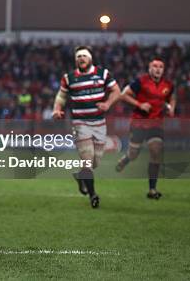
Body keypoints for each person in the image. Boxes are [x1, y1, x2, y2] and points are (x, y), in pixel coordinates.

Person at [52, 46, 120, 208]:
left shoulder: (102, 74)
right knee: (88, 160)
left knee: (95, 161)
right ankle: (93, 195)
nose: (81, 58)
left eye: (84, 56)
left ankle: (81, 176)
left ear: (90, 58)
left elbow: (116, 90)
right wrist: (57, 109)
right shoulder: (69, 78)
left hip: (99, 124)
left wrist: (108, 103)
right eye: (78, 57)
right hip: (80, 123)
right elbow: (61, 96)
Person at [115, 57, 176, 199]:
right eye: (155, 66)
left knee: (156, 151)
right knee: (134, 154)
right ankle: (126, 159)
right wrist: (139, 104)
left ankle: (152, 189)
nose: (158, 69)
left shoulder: (168, 85)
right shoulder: (141, 82)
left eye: (161, 66)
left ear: (164, 69)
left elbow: (172, 97)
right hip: (139, 123)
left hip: (156, 124)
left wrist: (171, 108)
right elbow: (124, 95)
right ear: (150, 68)